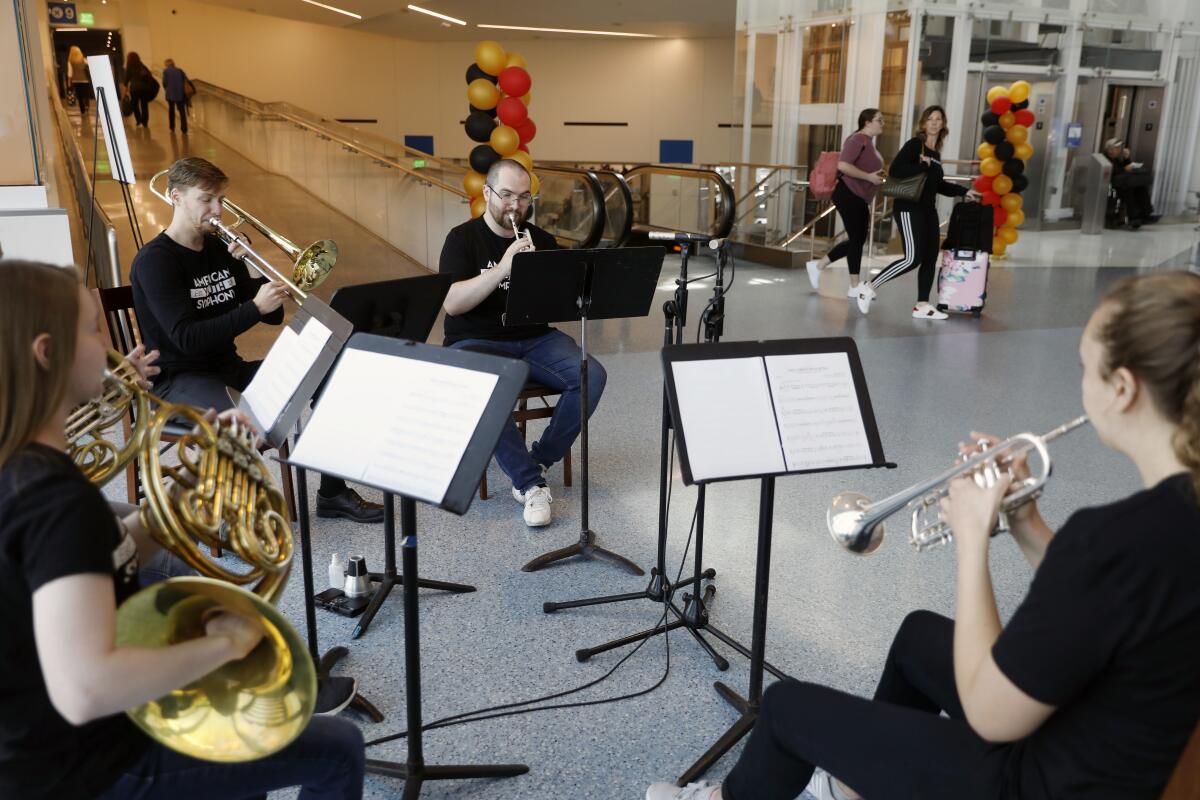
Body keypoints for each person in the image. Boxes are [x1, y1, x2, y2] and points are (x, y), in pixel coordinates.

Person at [648, 270, 1200, 800]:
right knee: (918, 638)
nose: (1080, 381)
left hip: (1040, 779)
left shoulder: (1112, 536)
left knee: (787, 707)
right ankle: (855, 788)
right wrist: (1025, 521)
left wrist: (971, 541)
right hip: (1107, 742)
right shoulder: (1167, 520)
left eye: (1086, 366)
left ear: (1124, 388)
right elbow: (1107, 595)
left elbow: (991, 712)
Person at [0, 259, 365, 800]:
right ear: (47, 354)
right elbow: (84, 689)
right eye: (92, 328)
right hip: (84, 766)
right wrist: (224, 645)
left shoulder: (27, 466)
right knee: (338, 748)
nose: (112, 347)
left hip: (49, 742)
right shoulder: (54, 499)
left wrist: (197, 475)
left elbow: (115, 549)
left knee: (248, 759)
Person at [130, 157, 382, 523]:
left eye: (221, 199)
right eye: (206, 200)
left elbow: (274, 314)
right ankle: (234, 516)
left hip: (228, 370)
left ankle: (332, 493)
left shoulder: (220, 249)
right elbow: (185, 339)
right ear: (175, 197)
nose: (217, 210)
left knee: (331, 372)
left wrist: (249, 266)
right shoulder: (155, 262)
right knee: (246, 419)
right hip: (174, 381)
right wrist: (251, 307)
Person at [439, 158, 606, 528]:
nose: (515, 206)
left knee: (591, 376)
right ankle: (530, 485)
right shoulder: (461, 239)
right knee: (487, 387)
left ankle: (539, 460)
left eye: (524, 198)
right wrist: (503, 268)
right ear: (487, 194)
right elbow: (451, 303)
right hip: (474, 341)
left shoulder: (540, 241)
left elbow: (566, 297)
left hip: (533, 338)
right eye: (507, 196)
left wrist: (562, 282)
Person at [856, 105, 978, 320]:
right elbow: (896, 170)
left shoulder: (936, 154)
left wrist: (964, 192)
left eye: (938, 119)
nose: (934, 122)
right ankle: (869, 286)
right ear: (923, 123)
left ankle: (922, 304)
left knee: (930, 258)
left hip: (928, 210)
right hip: (908, 208)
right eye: (930, 118)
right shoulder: (915, 145)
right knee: (912, 258)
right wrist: (922, 166)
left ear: (943, 124)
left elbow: (938, 184)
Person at [807, 109, 885, 296]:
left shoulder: (867, 142)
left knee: (857, 239)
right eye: (879, 120)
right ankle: (850, 283)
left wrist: (876, 177)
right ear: (867, 122)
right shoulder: (858, 139)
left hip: (857, 196)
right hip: (848, 194)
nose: (883, 123)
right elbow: (843, 165)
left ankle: (825, 269)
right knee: (857, 239)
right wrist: (868, 177)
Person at [1104, 138, 1158, 229]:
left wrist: (1126, 159)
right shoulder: (1105, 158)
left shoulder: (1116, 160)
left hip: (1122, 183)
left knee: (1140, 188)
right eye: (1117, 148)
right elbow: (1111, 171)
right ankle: (1134, 217)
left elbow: (1124, 170)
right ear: (1110, 150)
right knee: (1128, 191)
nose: (1119, 150)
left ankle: (1146, 214)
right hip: (1112, 186)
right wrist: (1124, 169)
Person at [123, 52, 156, 128]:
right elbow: (149, 74)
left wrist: (125, 90)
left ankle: (138, 121)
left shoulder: (130, 66)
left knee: (135, 105)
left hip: (134, 89)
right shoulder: (142, 65)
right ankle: (145, 122)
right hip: (144, 89)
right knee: (144, 105)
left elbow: (126, 79)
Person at [162, 58, 190, 135]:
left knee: (171, 110)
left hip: (170, 94)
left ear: (167, 64)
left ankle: (172, 127)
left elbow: (164, 83)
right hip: (180, 94)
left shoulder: (166, 71)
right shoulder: (180, 70)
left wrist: (167, 88)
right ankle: (184, 129)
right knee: (182, 111)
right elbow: (186, 80)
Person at [66, 46, 93, 117]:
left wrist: (69, 84)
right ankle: (87, 107)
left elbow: (70, 74)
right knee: (86, 95)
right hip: (85, 81)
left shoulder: (70, 62)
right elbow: (89, 70)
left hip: (76, 81)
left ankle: (82, 111)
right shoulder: (84, 60)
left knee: (80, 97)